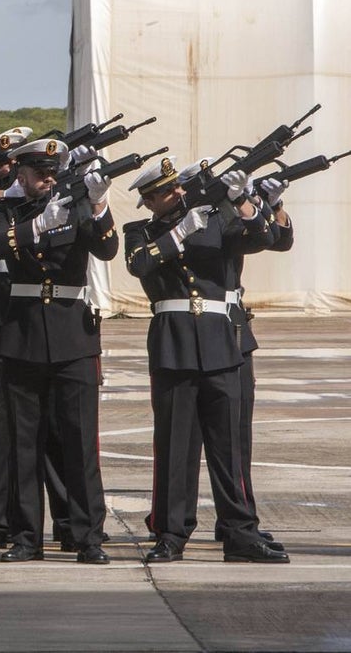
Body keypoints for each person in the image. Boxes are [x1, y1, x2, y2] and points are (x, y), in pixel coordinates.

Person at [124, 156, 287, 563]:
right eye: (166, 191)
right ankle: (171, 533)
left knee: (229, 447)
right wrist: (179, 232)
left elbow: (263, 239)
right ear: (149, 201)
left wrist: (244, 201)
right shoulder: (140, 231)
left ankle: (240, 533)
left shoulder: (216, 221)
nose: (177, 193)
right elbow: (139, 263)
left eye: (177, 186)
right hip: (173, 344)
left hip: (220, 342)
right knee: (174, 447)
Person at [0, 139, 118, 564]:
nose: (48, 179)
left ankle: (87, 536)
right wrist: (38, 226)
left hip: (72, 336)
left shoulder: (75, 205)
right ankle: (26, 538)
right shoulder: (8, 209)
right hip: (22, 336)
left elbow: (107, 248)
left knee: (79, 443)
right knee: (24, 444)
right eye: (40, 173)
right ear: (20, 174)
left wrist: (97, 206)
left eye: (52, 172)